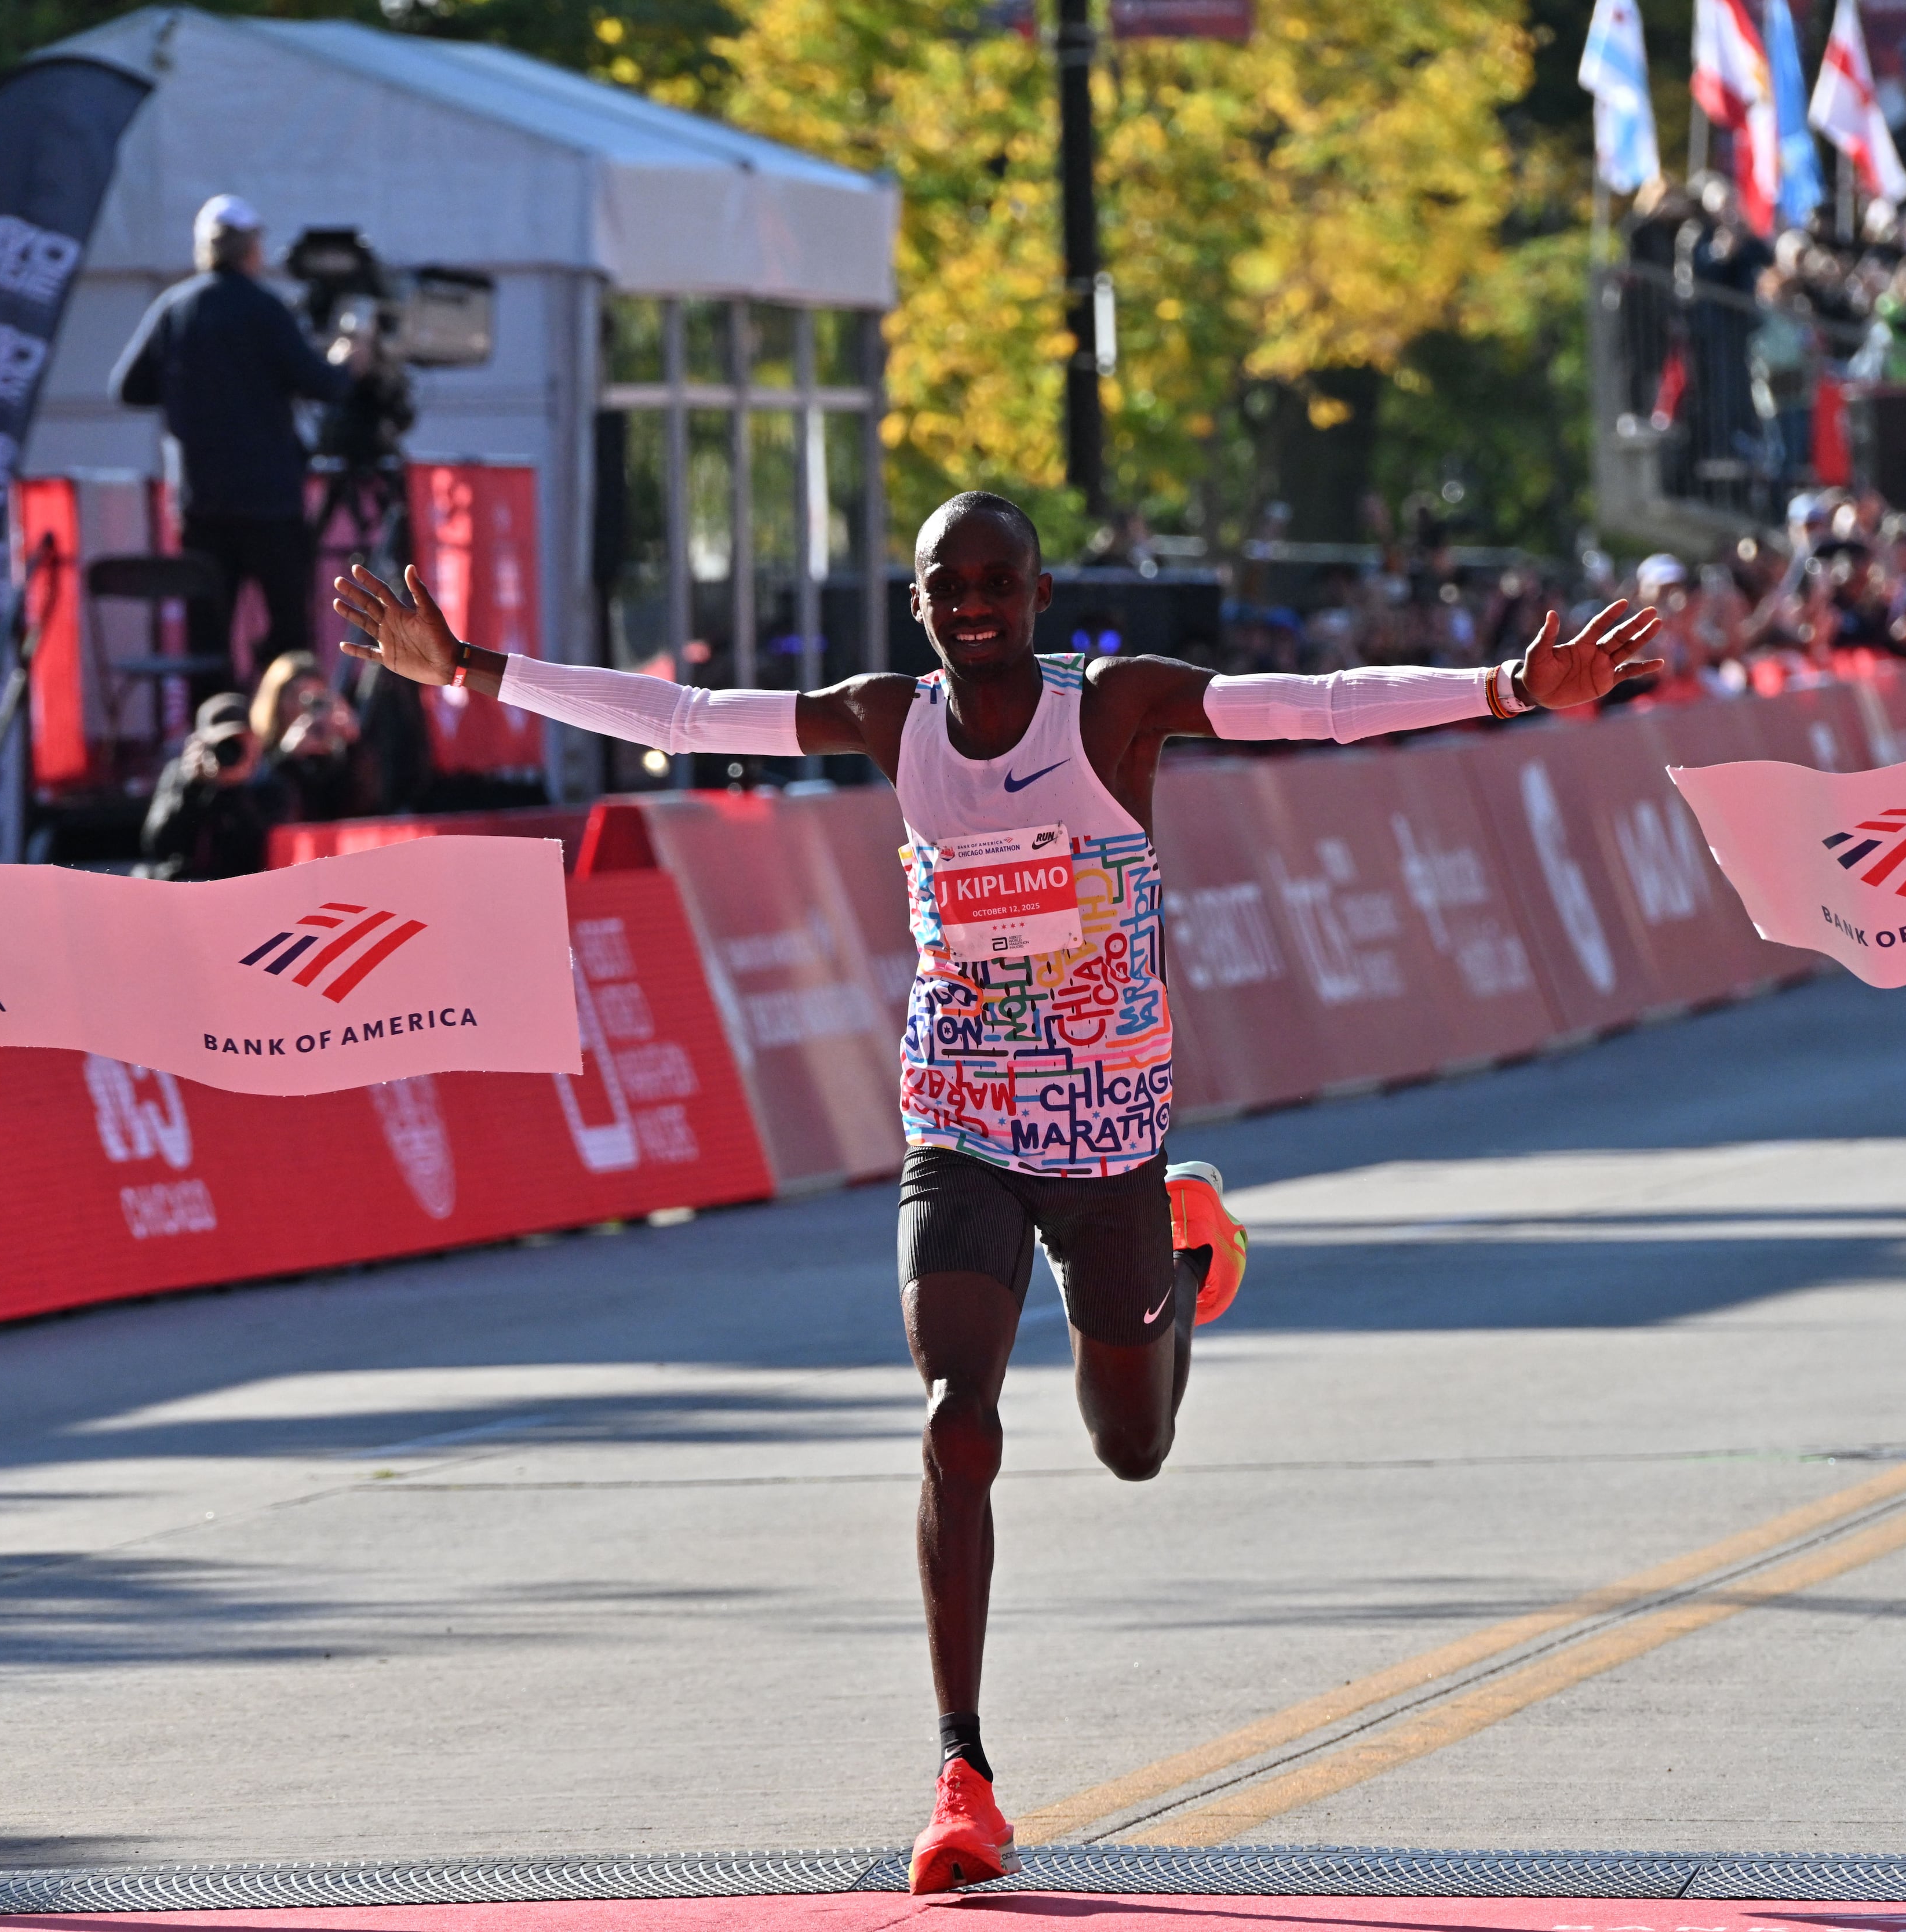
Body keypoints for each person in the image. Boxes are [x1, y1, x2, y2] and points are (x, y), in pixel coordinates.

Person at [330, 493, 1661, 1894]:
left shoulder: (1113, 713)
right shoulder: (889, 720)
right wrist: (471, 669)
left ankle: (1184, 1243)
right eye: (946, 585)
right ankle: (960, 1772)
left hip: (1106, 1143)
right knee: (956, 1420)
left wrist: (1513, 684)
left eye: (999, 582)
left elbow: (1312, 706)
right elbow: (690, 714)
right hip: (956, 1121)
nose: (974, 604)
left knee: (1129, 1445)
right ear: (917, 607)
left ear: (1037, 598)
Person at [111, 195, 358, 702]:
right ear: (251, 251)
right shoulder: (264, 309)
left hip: (202, 507)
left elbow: (129, 387)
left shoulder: (176, 308)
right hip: (271, 507)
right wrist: (352, 361)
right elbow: (325, 385)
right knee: (291, 634)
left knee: (208, 642)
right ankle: (290, 741)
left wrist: (193, 390)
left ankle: (217, 745)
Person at [137, 692, 273, 881]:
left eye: (236, 742)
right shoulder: (181, 775)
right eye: (220, 743)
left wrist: (235, 787)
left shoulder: (268, 779)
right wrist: (192, 787)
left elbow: (260, 847)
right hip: (186, 885)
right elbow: (156, 845)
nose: (228, 751)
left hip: (244, 887)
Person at [250, 650, 378, 825]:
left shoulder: (333, 756)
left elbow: (363, 807)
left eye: (316, 700)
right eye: (294, 697)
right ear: (276, 702)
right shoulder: (255, 749)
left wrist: (354, 746)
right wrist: (286, 757)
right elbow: (260, 804)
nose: (303, 708)